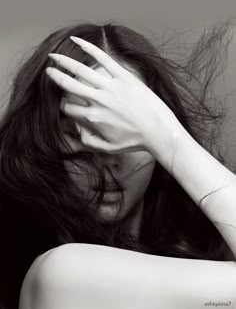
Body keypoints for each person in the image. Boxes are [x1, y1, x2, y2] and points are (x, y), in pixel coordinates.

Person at [0, 20, 236, 309]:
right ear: (40, 142)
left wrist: (167, 137)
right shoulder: (63, 274)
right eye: (76, 132)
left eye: (126, 129)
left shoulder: (214, 254)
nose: (107, 155)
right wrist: (172, 142)